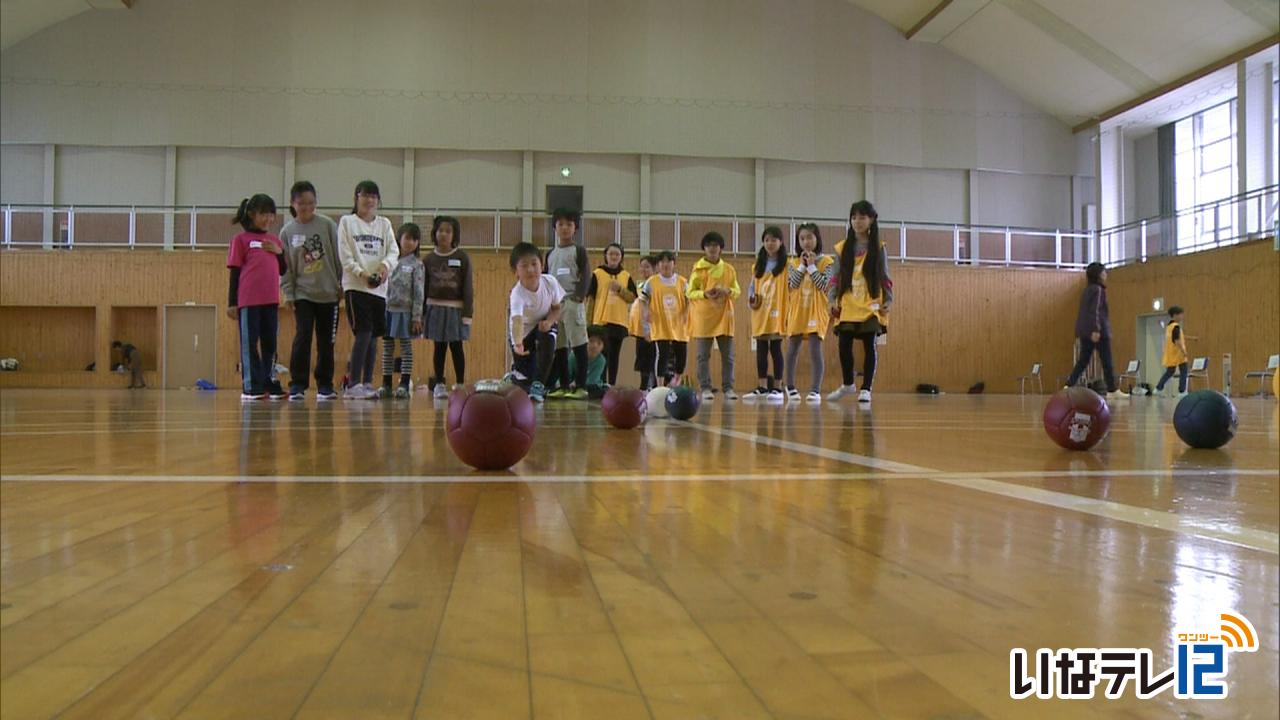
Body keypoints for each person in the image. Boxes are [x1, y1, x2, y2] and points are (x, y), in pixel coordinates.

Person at [337, 180, 399, 400]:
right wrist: (362, 275)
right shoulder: (347, 222)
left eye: (374, 196)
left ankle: (367, 383)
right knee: (363, 332)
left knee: (374, 336)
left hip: (379, 289)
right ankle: (353, 384)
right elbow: (345, 255)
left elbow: (393, 250)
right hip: (356, 286)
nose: (369, 200)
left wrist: (384, 269)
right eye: (365, 195)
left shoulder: (384, 224)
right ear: (356, 197)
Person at [279, 180, 341, 400]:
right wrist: (289, 293)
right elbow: (285, 267)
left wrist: (341, 285)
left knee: (327, 341)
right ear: (293, 204)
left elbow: (338, 255)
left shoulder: (327, 225)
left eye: (311, 203)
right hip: (303, 294)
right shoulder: (287, 232)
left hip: (329, 294)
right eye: (301, 203)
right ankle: (298, 384)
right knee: (303, 337)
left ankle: (325, 384)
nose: (307, 207)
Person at [828, 201, 892, 404]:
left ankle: (866, 388)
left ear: (871, 219)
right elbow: (834, 277)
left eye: (862, 217)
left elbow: (884, 275)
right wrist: (832, 299)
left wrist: (889, 298)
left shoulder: (878, 247)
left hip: (870, 302)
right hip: (848, 301)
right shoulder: (842, 248)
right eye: (854, 217)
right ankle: (848, 384)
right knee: (844, 342)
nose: (857, 221)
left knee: (869, 343)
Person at [226, 193, 286, 400]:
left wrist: (279, 252)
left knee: (270, 343)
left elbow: (283, 270)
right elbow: (234, 273)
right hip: (249, 301)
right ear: (252, 214)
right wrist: (232, 303)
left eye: (272, 214)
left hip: (271, 300)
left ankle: (269, 379)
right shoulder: (240, 240)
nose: (268, 219)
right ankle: (251, 385)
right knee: (250, 343)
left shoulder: (274, 240)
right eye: (264, 214)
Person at [422, 215, 473, 399]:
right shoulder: (428, 260)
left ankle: (460, 383)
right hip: (434, 308)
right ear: (434, 234)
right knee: (439, 347)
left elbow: (468, 287)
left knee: (456, 346)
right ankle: (439, 384)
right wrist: (421, 314)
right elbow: (423, 288)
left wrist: (468, 313)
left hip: (456, 310)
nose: (443, 234)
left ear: (454, 235)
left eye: (448, 231)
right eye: (440, 230)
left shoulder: (462, 257)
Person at [508, 242, 565, 403]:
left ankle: (539, 385)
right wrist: (518, 344)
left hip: (543, 326)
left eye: (534, 264)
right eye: (524, 266)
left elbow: (556, 308)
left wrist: (549, 321)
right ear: (516, 271)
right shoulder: (517, 294)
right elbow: (517, 321)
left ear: (542, 265)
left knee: (547, 334)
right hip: (523, 333)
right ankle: (515, 376)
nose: (531, 269)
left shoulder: (550, 282)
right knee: (524, 380)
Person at [687, 232, 741, 402]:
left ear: (721, 249)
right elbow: (689, 292)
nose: (712, 248)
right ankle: (705, 388)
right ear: (704, 248)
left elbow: (737, 291)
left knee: (728, 356)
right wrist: (704, 293)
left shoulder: (729, 270)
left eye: (715, 245)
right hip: (703, 318)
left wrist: (728, 291)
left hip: (724, 317)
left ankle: (728, 388)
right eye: (709, 245)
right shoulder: (698, 269)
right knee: (703, 356)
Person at [784, 223, 833, 403]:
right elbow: (792, 284)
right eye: (802, 238)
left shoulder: (827, 262)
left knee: (815, 349)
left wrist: (812, 266)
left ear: (817, 239)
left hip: (816, 311)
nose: (806, 242)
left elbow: (823, 285)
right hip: (797, 311)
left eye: (810, 237)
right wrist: (803, 266)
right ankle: (790, 387)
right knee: (792, 350)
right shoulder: (793, 262)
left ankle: (815, 390)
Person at [546, 208, 591, 400]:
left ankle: (581, 386)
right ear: (554, 227)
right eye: (561, 224)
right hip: (555, 305)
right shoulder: (550, 253)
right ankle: (563, 385)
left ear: (575, 229)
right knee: (560, 346)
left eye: (569, 225)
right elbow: (546, 278)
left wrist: (578, 296)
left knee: (579, 344)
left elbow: (586, 274)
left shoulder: (578, 251)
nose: (565, 228)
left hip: (572, 301)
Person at [379, 223, 425, 399]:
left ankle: (404, 383)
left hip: (406, 311)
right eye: (407, 238)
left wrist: (416, 317)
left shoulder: (417, 265)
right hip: (387, 310)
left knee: (406, 348)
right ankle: (386, 383)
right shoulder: (389, 261)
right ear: (399, 238)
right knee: (387, 347)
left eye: (414, 239)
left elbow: (419, 292)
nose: (410, 242)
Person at [744, 226, 787, 401]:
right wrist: (751, 299)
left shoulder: (786, 265)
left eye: (774, 240)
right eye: (767, 240)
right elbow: (751, 288)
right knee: (761, 349)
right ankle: (762, 386)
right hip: (761, 312)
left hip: (777, 312)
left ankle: (777, 387)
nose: (770, 243)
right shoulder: (758, 266)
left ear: (781, 242)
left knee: (776, 349)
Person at [585, 242, 637, 387]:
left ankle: (611, 385)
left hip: (619, 322)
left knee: (614, 356)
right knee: (601, 356)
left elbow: (632, 297)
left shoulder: (626, 276)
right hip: (601, 322)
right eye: (611, 254)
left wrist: (620, 289)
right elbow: (590, 299)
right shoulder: (597, 273)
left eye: (617, 254)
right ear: (606, 256)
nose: (614, 257)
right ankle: (598, 383)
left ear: (621, 257)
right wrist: (589, 323)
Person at [1065, 261, 1118, 396]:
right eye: (1104, 272)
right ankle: (1112, 390)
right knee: (1107, 361)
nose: (1106, 274)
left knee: (1083, 360)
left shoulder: (1087, 290)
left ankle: (1069, 384)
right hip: (1098, 331)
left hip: (1085, 330)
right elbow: (1095, 311)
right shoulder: (1098, 290)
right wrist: (1096, 329)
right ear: (1099, 274)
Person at [641, 250, 690, 387]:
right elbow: (643, 300)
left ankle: (677, 378)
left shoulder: (682, 282)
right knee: (662, 354)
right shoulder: (652, 282)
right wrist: (645, 312)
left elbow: (689, 300)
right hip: (660, 324)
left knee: (681, 355)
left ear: (674, 264)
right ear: (658, 265)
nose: (665, 264)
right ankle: (660, 386)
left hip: (679, 324)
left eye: (669, 261)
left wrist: (686, 312)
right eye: (662, 262)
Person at [629, 255, 658, 390]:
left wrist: (649, 328)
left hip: (651, 329)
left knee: (651, 359)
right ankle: (644, 386)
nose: (644, 269)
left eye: (647, 266)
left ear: (655, 268)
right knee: (642, 359)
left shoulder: (655, 284)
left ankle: (651, 387)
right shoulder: (640, 284)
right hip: (639, 329)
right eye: (642, 266)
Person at [1155, 305, 1194, 397]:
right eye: (1181, 314)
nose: (1182, 316)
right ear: (1175, 315)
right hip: (1178, 353)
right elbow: (1177, 341)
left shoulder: (1169, 327)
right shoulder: (1176, 327)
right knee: (1184, 372)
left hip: (1171, 353)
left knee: (1170, 372)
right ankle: (1182, 391)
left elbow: (1176, 337)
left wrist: (1190, 338)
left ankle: (1158, 388)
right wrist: (1184, 351)